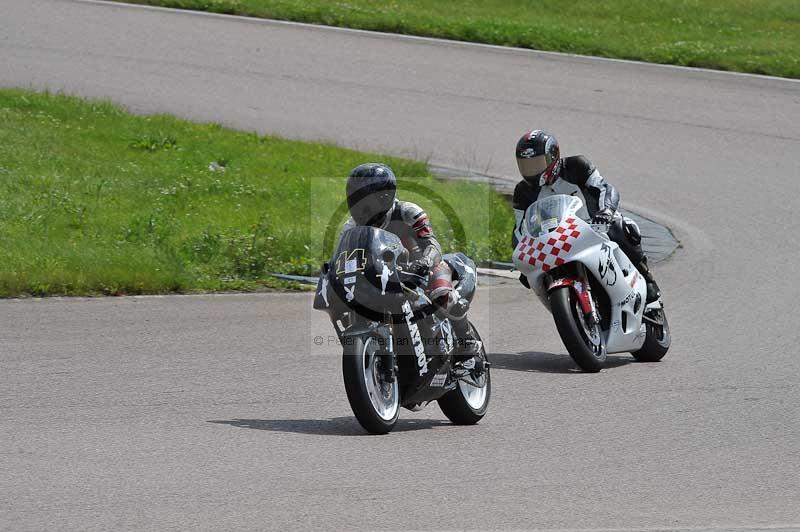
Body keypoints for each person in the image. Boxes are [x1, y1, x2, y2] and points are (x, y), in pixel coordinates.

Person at [342, 162, 479, 355]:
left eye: (367, 201)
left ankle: (467, 341)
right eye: (356, 200)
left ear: (385, 198)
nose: (362, 208)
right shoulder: (350, 228)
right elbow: (344, 258)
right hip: (382, 278)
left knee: (442, 293)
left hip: (419, 272)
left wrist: (424, 261)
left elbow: (432, 245)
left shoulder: (407, 212)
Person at [511, 129, 661, 302]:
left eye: (537, 164)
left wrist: (606, 211)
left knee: (623, 226)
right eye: (526, 166)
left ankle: (646, 276)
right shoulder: (522, 192)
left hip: (594, 227)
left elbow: (605, 188)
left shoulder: (577, 166)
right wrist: (523, 261)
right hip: (556, 241)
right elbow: (520, 229)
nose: (532, 172)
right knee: (538, 275)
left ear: (553, 156)